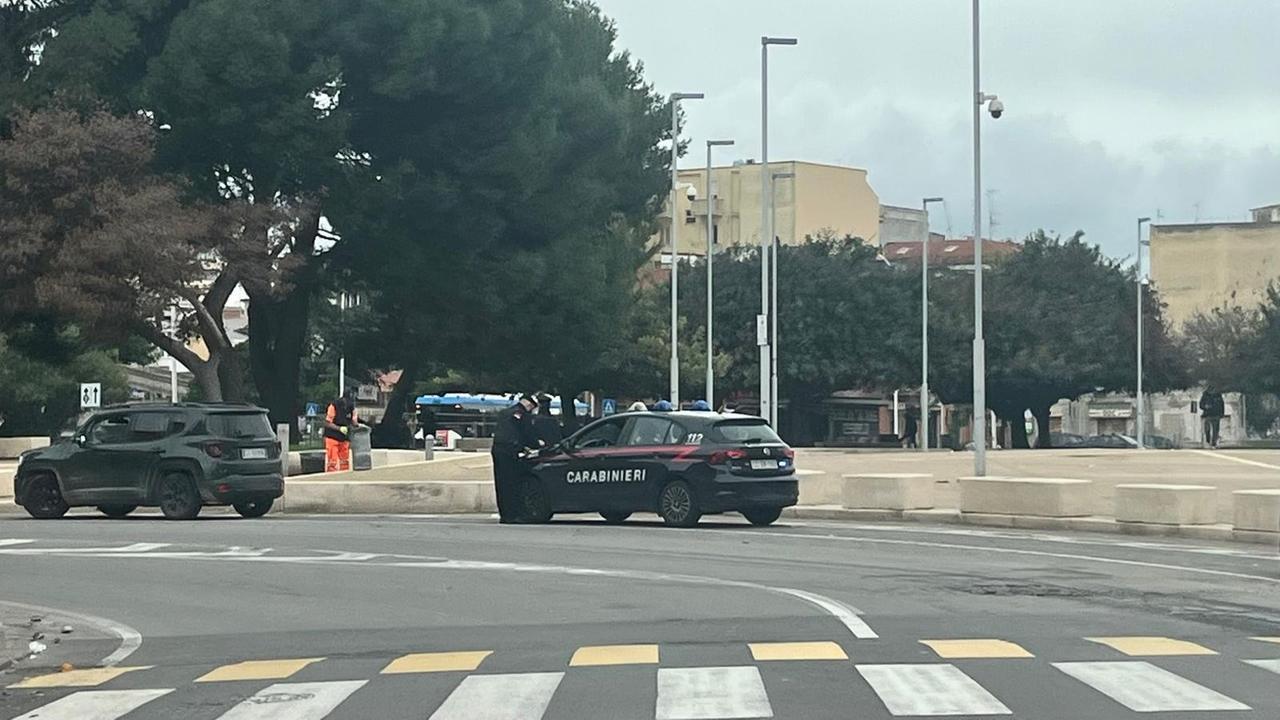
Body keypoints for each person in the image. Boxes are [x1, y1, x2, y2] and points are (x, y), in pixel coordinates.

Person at [491, 394, 540, 523]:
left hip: (498, 450)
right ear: (530, 405)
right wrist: (538, 444)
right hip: (511, 452)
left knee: (501, 483)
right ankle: (513, 515)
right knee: (512, 483)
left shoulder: (504, 413)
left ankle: (504, 514)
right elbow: (527, 434)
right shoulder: (522, 415)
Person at [323, 391, 358, 472]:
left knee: (344, 461)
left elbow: (354, 421)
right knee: (333, 461)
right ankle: (332, 478)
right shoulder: (334, 405)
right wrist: (339, 429)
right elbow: (328, 423)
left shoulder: (352, 407)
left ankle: (344, 475)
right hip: (332, 436)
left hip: (344, 437)